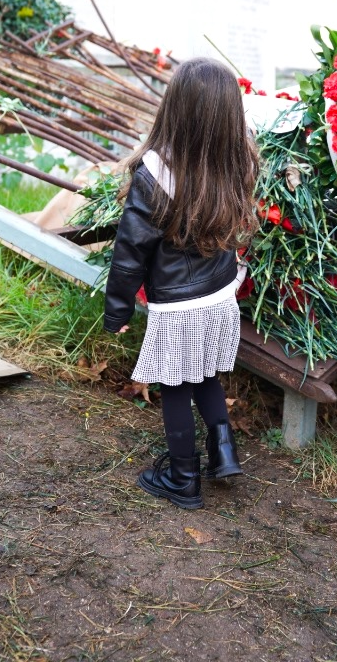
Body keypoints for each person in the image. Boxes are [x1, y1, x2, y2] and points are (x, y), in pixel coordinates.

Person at [103, 57, 260, 510]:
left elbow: (130, 251)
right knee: (206, 372)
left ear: (175, 107)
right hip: (220, 295)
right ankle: (223, 451)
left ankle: (183, 477)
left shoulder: (155, 171)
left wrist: (117, 310)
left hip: (178, 305)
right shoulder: (237, 161)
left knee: (176, 385)